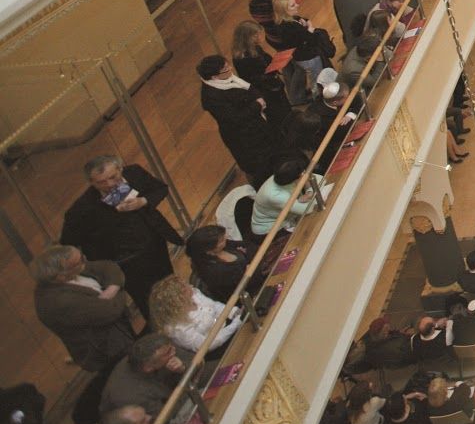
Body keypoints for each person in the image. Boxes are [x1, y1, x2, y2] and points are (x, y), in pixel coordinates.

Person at [60, 155, 180, 318]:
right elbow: (68, 242)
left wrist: (143, 201)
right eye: (101, 182)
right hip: (126, 261)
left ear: (120, 169)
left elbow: (160, 188)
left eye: (113, 177)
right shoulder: (81, 210)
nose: (109, 184)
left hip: (154, 243)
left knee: (169, 281)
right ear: (91, 182)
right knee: (147, 299)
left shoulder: (134, 174)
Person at [31, 244, 137, 375]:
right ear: (61, 275)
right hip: (108, 350)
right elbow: (111, 311)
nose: (85, 260)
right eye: (79, 261)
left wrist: (112, 288)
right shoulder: (59, 301)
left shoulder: (72, 271)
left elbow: (108, 267)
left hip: (118, 336)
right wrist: (119, 287)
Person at [196, 54, 278, 187]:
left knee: (270, 157)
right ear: (214, 77)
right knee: (260, 168)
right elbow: (235, 118)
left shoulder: (228, 79)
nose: (230, 70)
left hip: (256, 126)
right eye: (225, 69)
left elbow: (250, 89)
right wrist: (257, 105)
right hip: (244, 138)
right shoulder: (212, 97)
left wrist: (258, 99)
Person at [99, 334, 187, 421]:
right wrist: (187, 381)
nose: (174, 351)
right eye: (168, 352)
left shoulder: (155, 353)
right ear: (148, 368)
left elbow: (191, 361)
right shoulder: (134, 397)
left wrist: (182, 369)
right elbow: (170, 415)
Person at [147, 275, 240, 357]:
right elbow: (207, 345)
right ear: (177, 300)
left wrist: (232, 312)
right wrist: (234, 325)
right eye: (184, 288)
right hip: (217, 348)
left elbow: (214, 306)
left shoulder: (193, 294)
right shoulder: (178, 329)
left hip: (227, 325)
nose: (190, 286)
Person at [250, 155, 324, 238]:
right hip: (271, 231)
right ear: (298, 177)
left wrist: (309, 191)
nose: (305, 173)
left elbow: (321, 179)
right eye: (303, 173)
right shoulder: (275, 195)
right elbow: (308, 209)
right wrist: (311, 189)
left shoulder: (286, 175)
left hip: (290, 217)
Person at [184, 225, 254, 303]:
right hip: (246, 292)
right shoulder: (214, 271)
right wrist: (248, 272)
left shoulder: (222, 245)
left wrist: (246, 255)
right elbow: (237, 288)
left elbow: (245, 244)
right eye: (222, 240)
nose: (226, 237)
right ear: (209, 250)